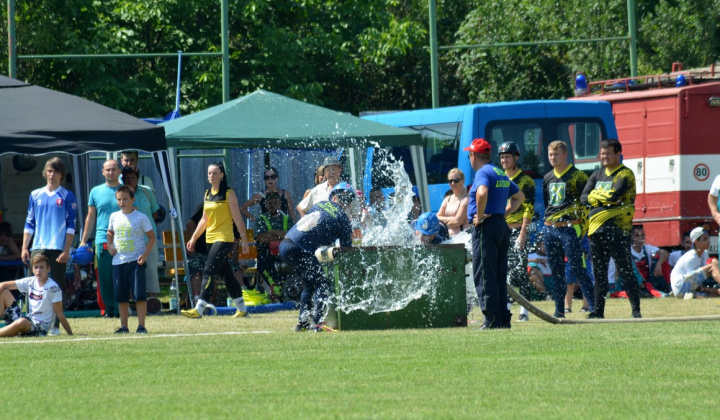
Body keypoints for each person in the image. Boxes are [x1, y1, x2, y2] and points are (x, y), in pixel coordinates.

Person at [465, 138, 524, 330]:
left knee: (484, 274)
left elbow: (481, 193)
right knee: (499, 273)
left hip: (486, 227)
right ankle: (502, 318)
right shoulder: (499, 172)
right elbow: (519, 198)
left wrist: (479, 217)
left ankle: (490, 319)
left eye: (469, 155)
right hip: (500, 225)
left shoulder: (483, 172)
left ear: (474, 156)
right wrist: (501, 213)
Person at [280, 182, 354, 332]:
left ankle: (302, 323)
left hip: (285, 245)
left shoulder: (320, 204)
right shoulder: (344, 219)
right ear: (348, 203)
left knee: (310, 283)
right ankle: (317, 323)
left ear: (333, 197)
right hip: (300, 249)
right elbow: (347, 251)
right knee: (323, 284)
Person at [580, 138, 641, 318]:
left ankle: (636, 310)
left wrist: (596, 196)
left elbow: (614, 196)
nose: (604, 156)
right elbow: (584, 197)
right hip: (596, 231)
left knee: (625, 270)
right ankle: (598, 312)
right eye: (602, 153)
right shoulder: (596, 175)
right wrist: (599, 197)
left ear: (617, 154)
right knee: (599, 273)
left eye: (608, 153)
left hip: (618, 231)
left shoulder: (625, 174)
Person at [182, 162, 250, 319]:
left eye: (214, 173)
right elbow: (204, 220)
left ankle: (198, 309)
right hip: (210, 239)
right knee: (227, 274)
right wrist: (193, 238)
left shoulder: (228, 194)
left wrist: (244, 240)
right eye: (209, 173)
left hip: (224, 238)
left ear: (221, 175)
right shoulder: (207, 193)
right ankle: (242, 308)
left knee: (208, 271)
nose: (210, 176)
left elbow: (238, 219)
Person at [21, 157, 77, 334]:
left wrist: (67, 249)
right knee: (33, 284)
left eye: (55, 171)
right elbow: (29, 223)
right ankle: (30, 322)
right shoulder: (35, 194)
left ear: (62, 174)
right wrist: (24, 247)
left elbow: (71, 225)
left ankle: (55, 325)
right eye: (49, 171)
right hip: (38, 245)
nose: (52, 175)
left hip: (58, 247)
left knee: (57, 287)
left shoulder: (67, 196)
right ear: (45, 173)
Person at [543, 140, 594, 318]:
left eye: (556, 154)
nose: (553, 158)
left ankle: (594, 308)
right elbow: (547, 203)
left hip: (570, 229)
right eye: (550, 154)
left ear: (565, 155)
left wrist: (585, 229)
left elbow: (586, 205)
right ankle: (559, 311)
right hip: (550, 229)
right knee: (556, 271)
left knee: (579, 269)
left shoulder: (578, 176)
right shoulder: (547, 177)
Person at [107, 185, 156, 334]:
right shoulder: (114, 216)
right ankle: (124, 326)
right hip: (118, 262)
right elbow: (110, 232)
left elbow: (152, 237)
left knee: (139, 295)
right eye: (119, 199)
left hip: (136, 261)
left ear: (133, 199)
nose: (122, 202)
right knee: (121, 296)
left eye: (125, 199)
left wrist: (145, 254)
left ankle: (141, 326)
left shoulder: (141, 217)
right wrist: (109, 245)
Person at [498, 141, 536, 321]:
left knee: (520, 270)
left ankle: (524, 310)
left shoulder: (525, 181)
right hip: (501, 230)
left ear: (516, 158)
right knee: (504, 271)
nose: (504, 160)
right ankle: (505, 306)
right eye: (502, 157)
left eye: (507, 157)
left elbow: (529, 208)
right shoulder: (498, 177)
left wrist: (523, 233)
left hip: (517, 230)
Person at [81, 159, 121, 318]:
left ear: (119, 171)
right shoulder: (95, 191)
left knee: (121, 277)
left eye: (113, 169)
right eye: (107, 170)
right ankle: (109, 310)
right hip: (101, 240)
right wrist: (84, 241)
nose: (110, 172)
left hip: (122, 240)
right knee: (104, 278)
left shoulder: (125, 191)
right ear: (102, 172)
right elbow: (90, 218)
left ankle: (121, 308)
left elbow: (134, 213)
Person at [0, 253, 73, 337]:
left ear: (48, 269)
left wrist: (70, 334)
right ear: (33, 270)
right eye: (36, 267)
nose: (38, 270)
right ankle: (12, 330)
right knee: (4, 292)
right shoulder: (31, 281)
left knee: (21, 322)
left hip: (39, 328)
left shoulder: (53, 288)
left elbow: (60, 313)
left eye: (41, 267)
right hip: (28, 320)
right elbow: (2, 285)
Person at [121, 166, 161, 300]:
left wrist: (147, 225)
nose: (130, 180)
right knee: (131, 272)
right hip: (130, 239)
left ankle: (153, 301)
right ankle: (133, 302)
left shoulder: (147, 192)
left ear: (137, 179)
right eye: (127, 178)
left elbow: (155, 211)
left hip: (149, 238)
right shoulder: (121, 195)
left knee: (151, 271)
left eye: (133, 177)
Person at [255, 191, 294, 301]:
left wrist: (273, 232)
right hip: (267, 256)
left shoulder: (287, 219)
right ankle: (275, 288)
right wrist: (281, 235)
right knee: (263, 262)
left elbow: (291, 236)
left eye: (275, 201)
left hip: (283, 254)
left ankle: (286, 290)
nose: (272, 204)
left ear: (280, 204)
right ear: (266, 204)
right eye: (269, 202)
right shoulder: (261, 219)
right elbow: (261, 238)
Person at [670, 227, 720, 298]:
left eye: (708, 238)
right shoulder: (691, 257)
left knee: (714, 261)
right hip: (680, 288)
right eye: (705, 239)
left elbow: (705, 276)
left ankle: (698, 296)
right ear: (696, 242)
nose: (708, 241)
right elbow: (695, 285)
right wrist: (715, 290)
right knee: (712, 266)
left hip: (690, 285)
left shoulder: (704, 253)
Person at [629, 225, 671, 294]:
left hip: (649, 280)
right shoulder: (628, 251)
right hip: (636, 281)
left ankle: (667, 286)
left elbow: (665, 253)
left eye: (642, 235)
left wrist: (658, 264)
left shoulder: (647, 248)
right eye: (637, 235)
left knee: (660, 260)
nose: (640, 238)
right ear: (632, 237)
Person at [436, 168, 470, 237]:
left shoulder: (466, 199)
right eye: (450, 181)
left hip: (462, 238)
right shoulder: (447, 199)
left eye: (456, 180)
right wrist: (452, 219)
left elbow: (457, 222)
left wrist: (444, 221)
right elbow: (436, 218)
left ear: (462, 180)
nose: (453, 183)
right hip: (448, 238)